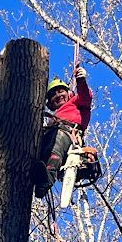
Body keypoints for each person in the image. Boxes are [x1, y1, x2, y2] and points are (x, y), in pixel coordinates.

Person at [33, 66, 92, 198]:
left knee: (56, 146)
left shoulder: (76, 102)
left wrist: (81, 80)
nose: (58, 95)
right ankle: (38, 176)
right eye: (53, 95)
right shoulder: (51, 116)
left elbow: (85, 96)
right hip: (50, 135)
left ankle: (47, 179)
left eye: (61, 92)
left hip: (67, 134)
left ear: (69, 93)